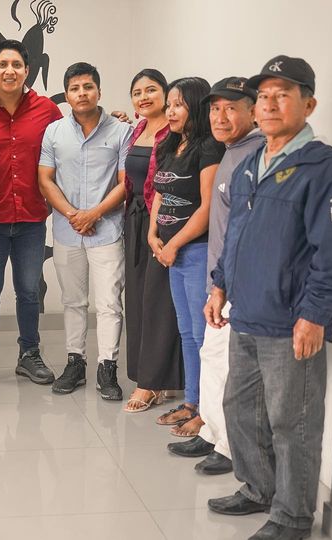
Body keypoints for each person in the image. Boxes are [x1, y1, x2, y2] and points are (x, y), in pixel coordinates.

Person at [206, 56, 332, 540]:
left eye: (283, 95)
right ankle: (259, 488)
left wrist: (315, 315)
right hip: (246, 312)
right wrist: (220, 285)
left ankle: (292, 517)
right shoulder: (252, 163)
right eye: (264, 97)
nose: (270, 105)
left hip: (291, 322)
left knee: (293, 424)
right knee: (240, 410)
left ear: (308, 104)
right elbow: (236, 235)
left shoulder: (325, 168)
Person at [167, 77, 263, 475]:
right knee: (211, 356)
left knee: (226, 366)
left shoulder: (256, 154)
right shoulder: (231, 151)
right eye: (214, 109)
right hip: (219, 280)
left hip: (239, 284)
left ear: (252, 112)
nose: (220, 117)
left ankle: (227, 447)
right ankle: (211, 433)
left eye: (230, 109)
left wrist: (225, 284)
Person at [0, 39, 63, 386]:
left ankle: (29, 354)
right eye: (3, 65)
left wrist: (116, 121)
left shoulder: (46, 110)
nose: (10, 71)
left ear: (27, 70)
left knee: (29, 290)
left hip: (31, 218)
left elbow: (69, 141)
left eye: (17, 65)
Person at [38, 62, 131, 399]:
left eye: (88, 87)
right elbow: (45, 179)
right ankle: (75, 362)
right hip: (67, 231)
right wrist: (73, 215)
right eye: (75, 88)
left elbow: (125, 182)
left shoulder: (121, 131)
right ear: (66, 95)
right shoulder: (54, 132)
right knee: (73, 301)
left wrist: (94, 214)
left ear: (99, 92)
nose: (82, 93)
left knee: (109, 304)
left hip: (107, 231)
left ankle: (108, 368)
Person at [149, 77, 225, 436]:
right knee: (186, 332)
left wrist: (174, 244)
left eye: (178, 104)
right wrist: (153, 235)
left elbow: (207, 208)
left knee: (200, 334)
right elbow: (160, 194)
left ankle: (206, 412)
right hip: (170, 253)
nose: (171, 111)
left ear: (195, 106)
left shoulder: (209, 148)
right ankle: (192, 402)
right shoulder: (169, 143)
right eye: (169, 105)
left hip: (195, 251)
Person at [120, 69, 184, 413]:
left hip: (161, 222)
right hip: (135, 219)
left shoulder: (174, 132)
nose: (143, 97)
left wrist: (157, 226)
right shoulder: (138, 129)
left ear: (166, 94)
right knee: (138, 301)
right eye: (137, 92)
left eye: (151, 90)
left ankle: (151, 383)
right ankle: (153, 375)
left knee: (158, 302)